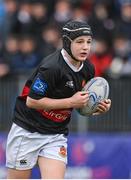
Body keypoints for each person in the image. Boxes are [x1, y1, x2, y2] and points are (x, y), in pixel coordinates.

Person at [6, 20, 111, 179]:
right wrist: (71, 102)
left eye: (89, 42)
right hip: (27, 131)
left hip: (55, 135)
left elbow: (80, 105)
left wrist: (96, 107)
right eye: (79, 42)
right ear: (67, 42)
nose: (85, 47)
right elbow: (32, 101)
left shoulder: (88, 69)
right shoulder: (52, 67)